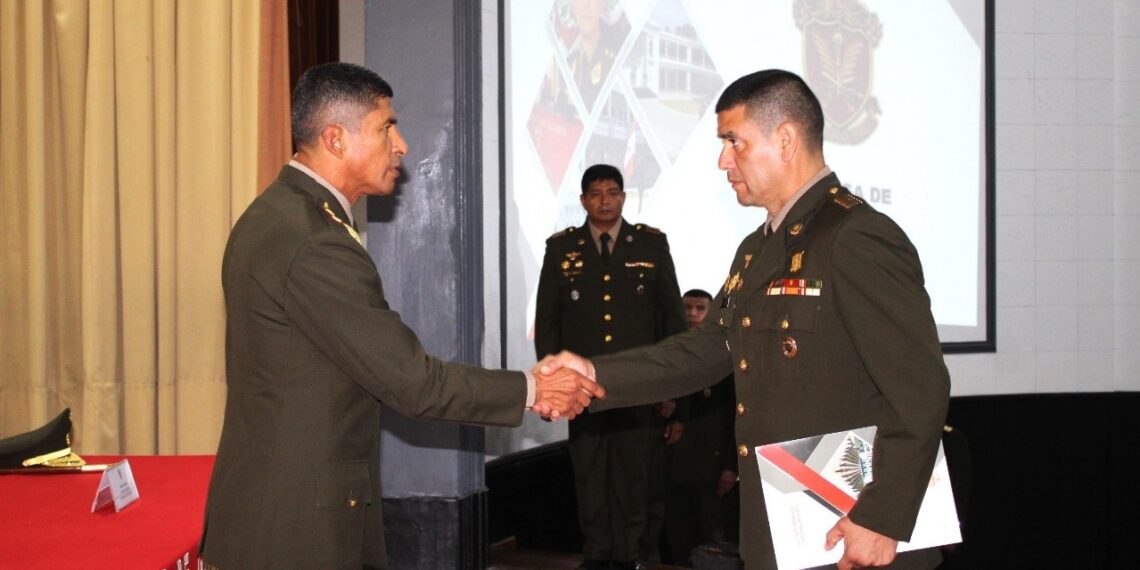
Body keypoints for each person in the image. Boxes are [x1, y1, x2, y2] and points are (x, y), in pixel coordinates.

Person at [538, 69, 951, 570]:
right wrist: (596, 375)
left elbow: (920, 387)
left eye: (735, 142)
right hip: (787, 524)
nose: (722, 160)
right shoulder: (756, 250)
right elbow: (705, 350)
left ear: (785, 139)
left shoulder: (856, 236)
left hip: (854, 532)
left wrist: (883, 517)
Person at [198, 62, 603, 570]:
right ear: (336, 139)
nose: (402, 145)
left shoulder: (278, 215)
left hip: (283, 510)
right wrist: (532, 389)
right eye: (386, 126)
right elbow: (412, 381)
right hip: (296, 530)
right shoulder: (313, 240)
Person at [534, 163, 687, 570]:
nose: (606, 200)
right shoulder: (561, 248)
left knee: (635, 475)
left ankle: (634, 555)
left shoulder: (650, 246)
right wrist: (549, 381)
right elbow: (548, 323)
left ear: (623, 197)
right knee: (589, 473)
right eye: (596, 193)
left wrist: (673, 387)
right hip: (579, 387)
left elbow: (671, 320)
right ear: (583, 201)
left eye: (613, 192)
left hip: (637, 386)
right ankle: (598, 554)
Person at [661, 289, 738, 566]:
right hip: (674, 464)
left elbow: (734, 416)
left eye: (700, 308)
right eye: (687, 308)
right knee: (676, 538)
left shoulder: (724, 353)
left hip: (710, 467)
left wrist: (731, 466)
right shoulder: (671, 350)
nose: (692, 314)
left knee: (711, 541)